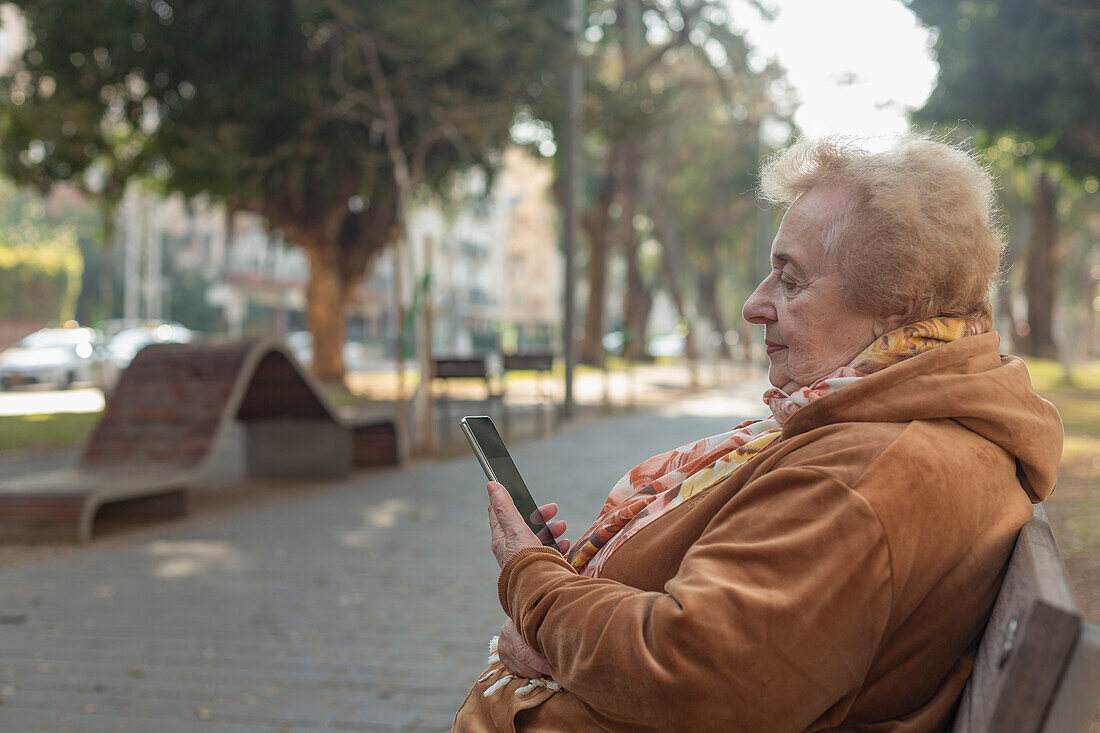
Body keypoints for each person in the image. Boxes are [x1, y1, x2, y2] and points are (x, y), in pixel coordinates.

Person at [452, 135, 1063, 732]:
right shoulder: (880, 425)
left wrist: (535, 586)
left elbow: (691, 675)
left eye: (791, 280)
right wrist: (563, 628)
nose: (754, 304)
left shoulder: (866, 472)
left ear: (897, 304)